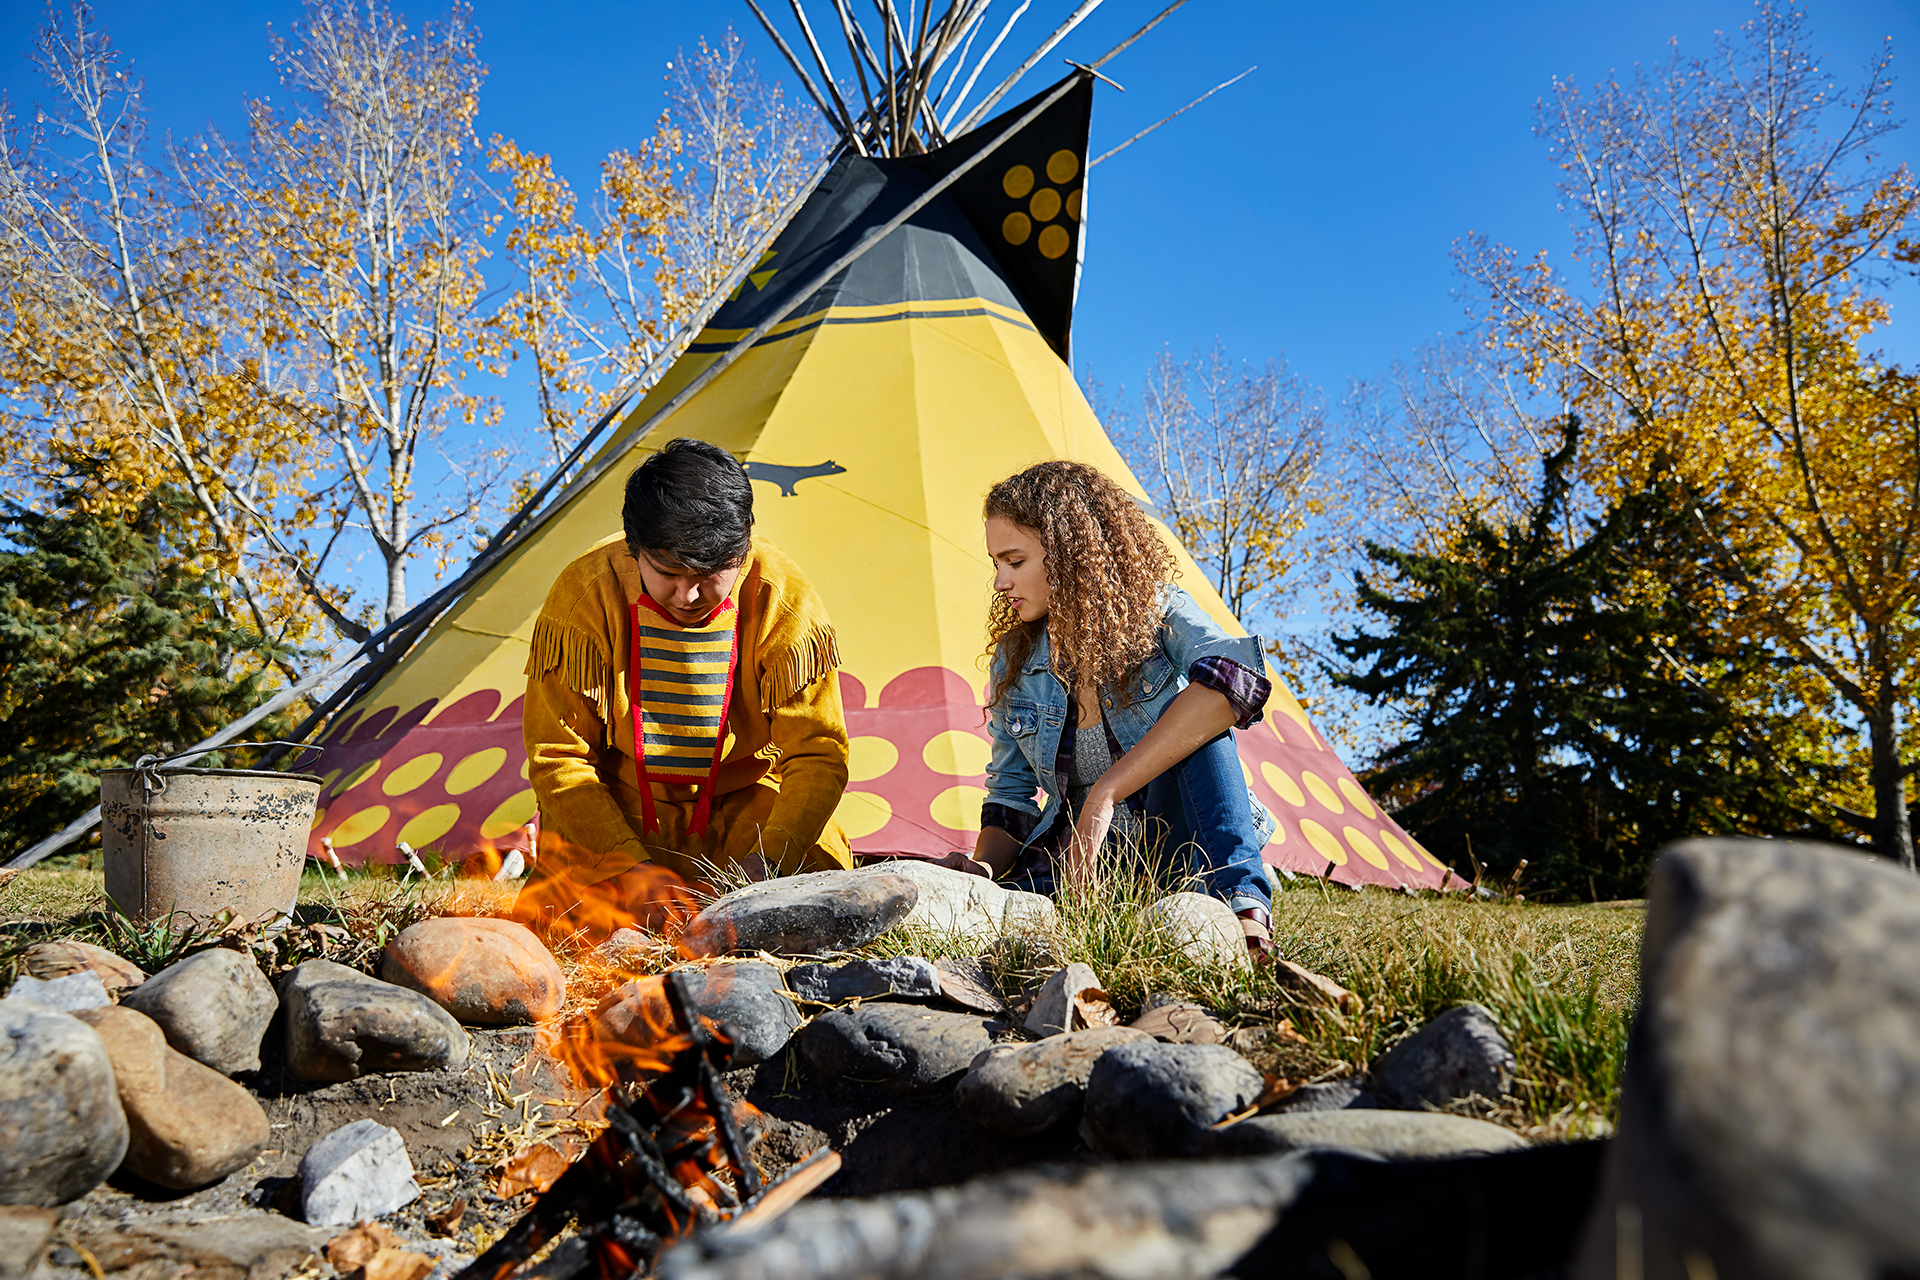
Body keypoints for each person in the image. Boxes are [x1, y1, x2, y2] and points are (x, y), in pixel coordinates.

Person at [514, 437, 851, 936]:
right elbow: (558, 757)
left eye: (710, 575)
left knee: (820, 893)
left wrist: (766, 866)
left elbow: (818, 752)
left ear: (743, 551)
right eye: (668, 573)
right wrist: (630, 872)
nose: (689, 595)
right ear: (636, 551)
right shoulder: (586, 592)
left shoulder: (783, 593)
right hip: (619, 817)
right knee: (566, 926)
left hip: (745, 815)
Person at [949, 460, 1278, 959]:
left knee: (1202, 718)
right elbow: (1010, 800)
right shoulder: (1012, 662)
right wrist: (984, 869)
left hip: (1185, 840)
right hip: (1089, 865)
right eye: (996, 563)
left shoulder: (1160, 612)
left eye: (1014, 562)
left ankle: (1245, 914)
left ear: (1067, 555)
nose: (1000, 582)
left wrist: (1105, 793)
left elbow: (1235, 681)